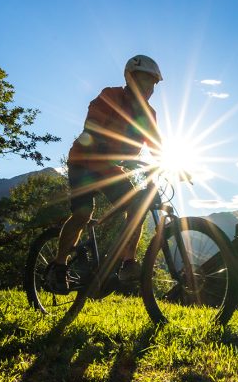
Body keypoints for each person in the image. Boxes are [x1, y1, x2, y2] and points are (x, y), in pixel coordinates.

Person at [46, 54, 163, 292]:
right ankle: (59, 266)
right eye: (145, 81)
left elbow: (156, 145)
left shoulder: (149, 114)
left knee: (136, 206)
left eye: (153, 83)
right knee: (82, 213)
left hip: (110, 168)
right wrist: (100, 142)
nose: (150, 87)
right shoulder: (110, 96)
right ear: (130, 79)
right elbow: (93, 126)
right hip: (83, 161)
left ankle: (128, 262)